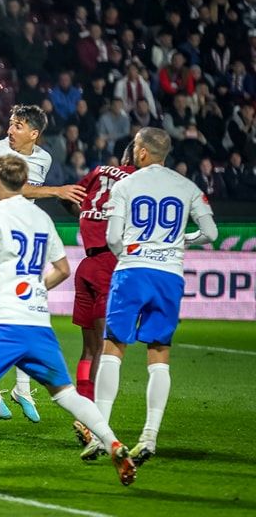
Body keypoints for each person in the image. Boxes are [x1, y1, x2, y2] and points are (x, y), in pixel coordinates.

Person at [0, 155, 136, 487]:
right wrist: (36, 289)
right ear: (24, 181)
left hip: (0, 321)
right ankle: (112, 441)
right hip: (37, 322)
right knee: (66, 394)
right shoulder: (42, 219)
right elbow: (62, 268)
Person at [83, 127, 218, 465]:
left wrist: (129, 250)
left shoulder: (125, 185)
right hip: (169, 276)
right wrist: (182, 241)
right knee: (159, 354)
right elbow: (212, 233)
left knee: (113, 349)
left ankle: (102, 436)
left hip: (132, 271)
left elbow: (114, 237)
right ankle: (149, 436)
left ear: (141, 152)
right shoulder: (187, 187)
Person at [0, 105, 88, 421]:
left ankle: (19, 386)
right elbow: (20, 189)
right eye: (10, 123)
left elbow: (27, 194)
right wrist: (58, 191)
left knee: (23, 306)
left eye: (17, 125)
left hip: (24, 230)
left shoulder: (43, 158)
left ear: (35, 133)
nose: (10, 130)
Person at [61, 144, 135, 447]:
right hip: (110, 264)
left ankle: (83, 415)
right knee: (110, 349)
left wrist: (85, 217)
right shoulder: (138, 181)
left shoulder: (98, 171)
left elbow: (70, 198)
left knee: (89, 349)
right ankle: (95, 422)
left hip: (87, 264)